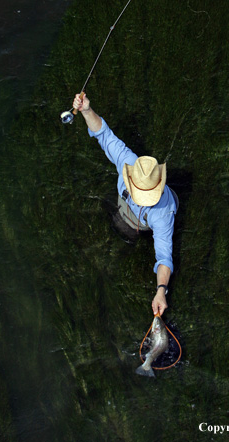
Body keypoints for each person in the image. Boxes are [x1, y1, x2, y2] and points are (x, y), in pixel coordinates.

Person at [72, 93, 178, 316]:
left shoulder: (162, 213)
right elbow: (104, 134)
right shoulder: (128, 161)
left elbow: (164, 257)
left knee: (127, 235)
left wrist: (161, 290)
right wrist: (86, 110)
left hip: (145, 223)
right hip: (127, 214)